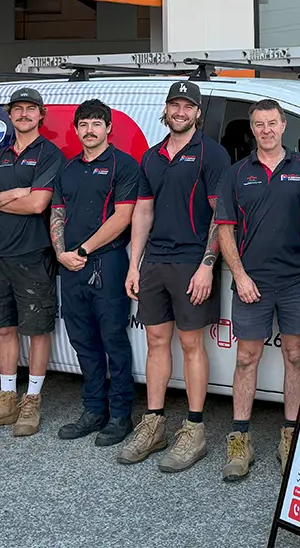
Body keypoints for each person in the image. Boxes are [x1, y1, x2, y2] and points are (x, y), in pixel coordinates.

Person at [119, 80, 230, 470]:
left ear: (198, 113)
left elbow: (221, 215)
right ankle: (154, 423)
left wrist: (207, 264)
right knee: (155, 342)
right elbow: (142, 213)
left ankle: (194, 430)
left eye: (188, 106)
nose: (180, 112)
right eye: (174, 105)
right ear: (165, 111)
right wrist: (134, 263)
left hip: (191, 262)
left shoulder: (211, 155)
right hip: (155, 263)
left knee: (191, 345)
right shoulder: (151, 157)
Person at [213, 99, 300, 481]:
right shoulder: (236, 173)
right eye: (259, 124)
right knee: (247, 358)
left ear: (284, 124)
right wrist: (239, 275)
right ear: (252, 128)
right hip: (252, 282)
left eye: (272, 123)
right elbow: (224, 228)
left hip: (296, 281)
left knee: (294, 355)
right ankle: (239, 439)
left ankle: (290, 435)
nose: (266, 130)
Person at [0, 87, 62, 437]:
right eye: (17, 109)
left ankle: (31, 400)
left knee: (36, 330)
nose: (23, 114)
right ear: (9, 114)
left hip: (33, 255)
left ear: (41, 115)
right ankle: (6, 398)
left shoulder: (50, 154)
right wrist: (10, 195)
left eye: (30, 109)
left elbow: (38, 205)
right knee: (3, 328)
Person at [50, 99, 140, 447]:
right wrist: (61, 253)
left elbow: (122, 217)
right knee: (82, 341)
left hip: (106, 264)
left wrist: (83, 251)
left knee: (113, 342)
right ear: (76, 130)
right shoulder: (68, 169)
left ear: (108, 129)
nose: (90, 130)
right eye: (84, 124)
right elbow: (56, 213)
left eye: (96, 124)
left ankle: (120, 414)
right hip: (70, 267)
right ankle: (93, 409)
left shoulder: (124, 166)